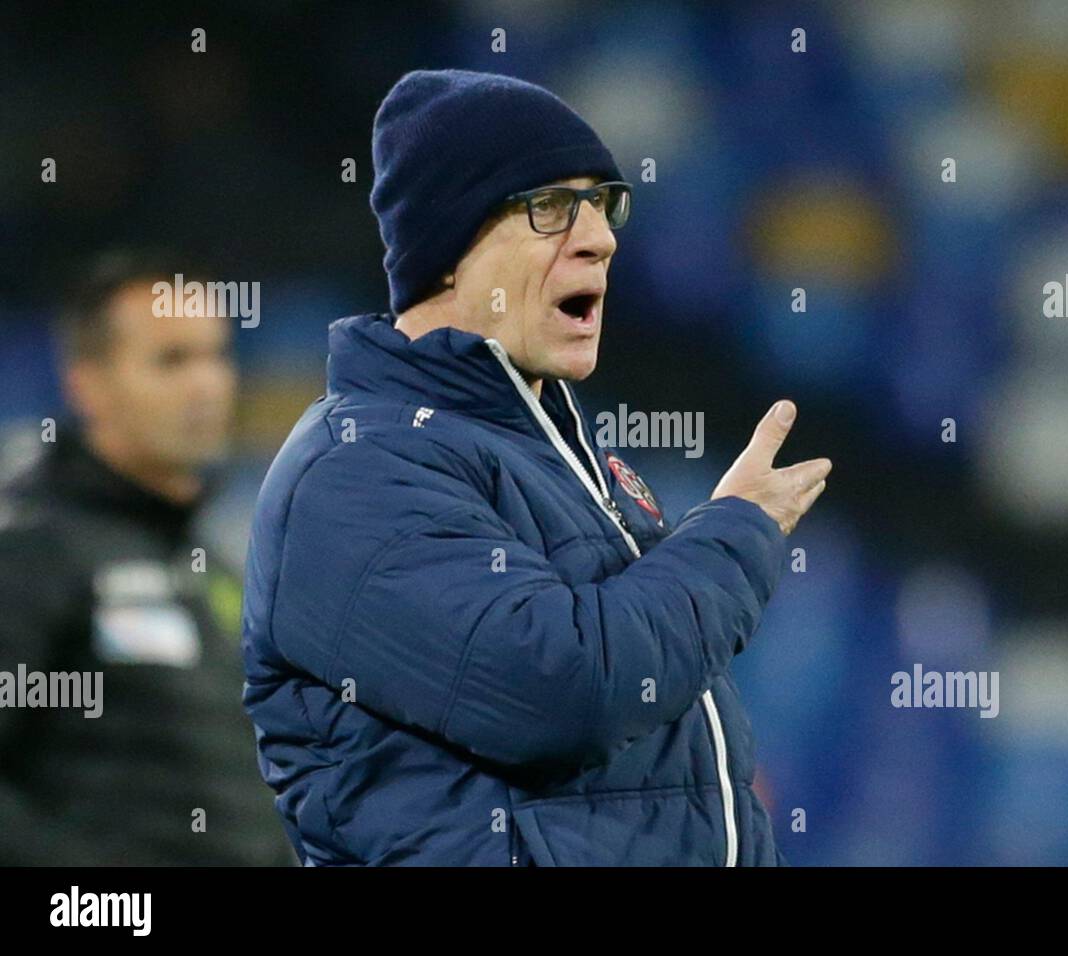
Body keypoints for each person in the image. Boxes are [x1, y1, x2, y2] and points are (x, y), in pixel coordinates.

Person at [242, 69, 832, 866]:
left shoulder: (568, 460)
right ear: (447, 249)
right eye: (549, 207)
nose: (599, 237)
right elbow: (563, 690)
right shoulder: (354, 472)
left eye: (603, 203)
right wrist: (735, 537)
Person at [0, 251, 294, 865]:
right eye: (171, 360)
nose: (206, 384)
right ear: (88, 383)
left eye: (217, 356)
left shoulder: (213, 569)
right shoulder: (33, 551)